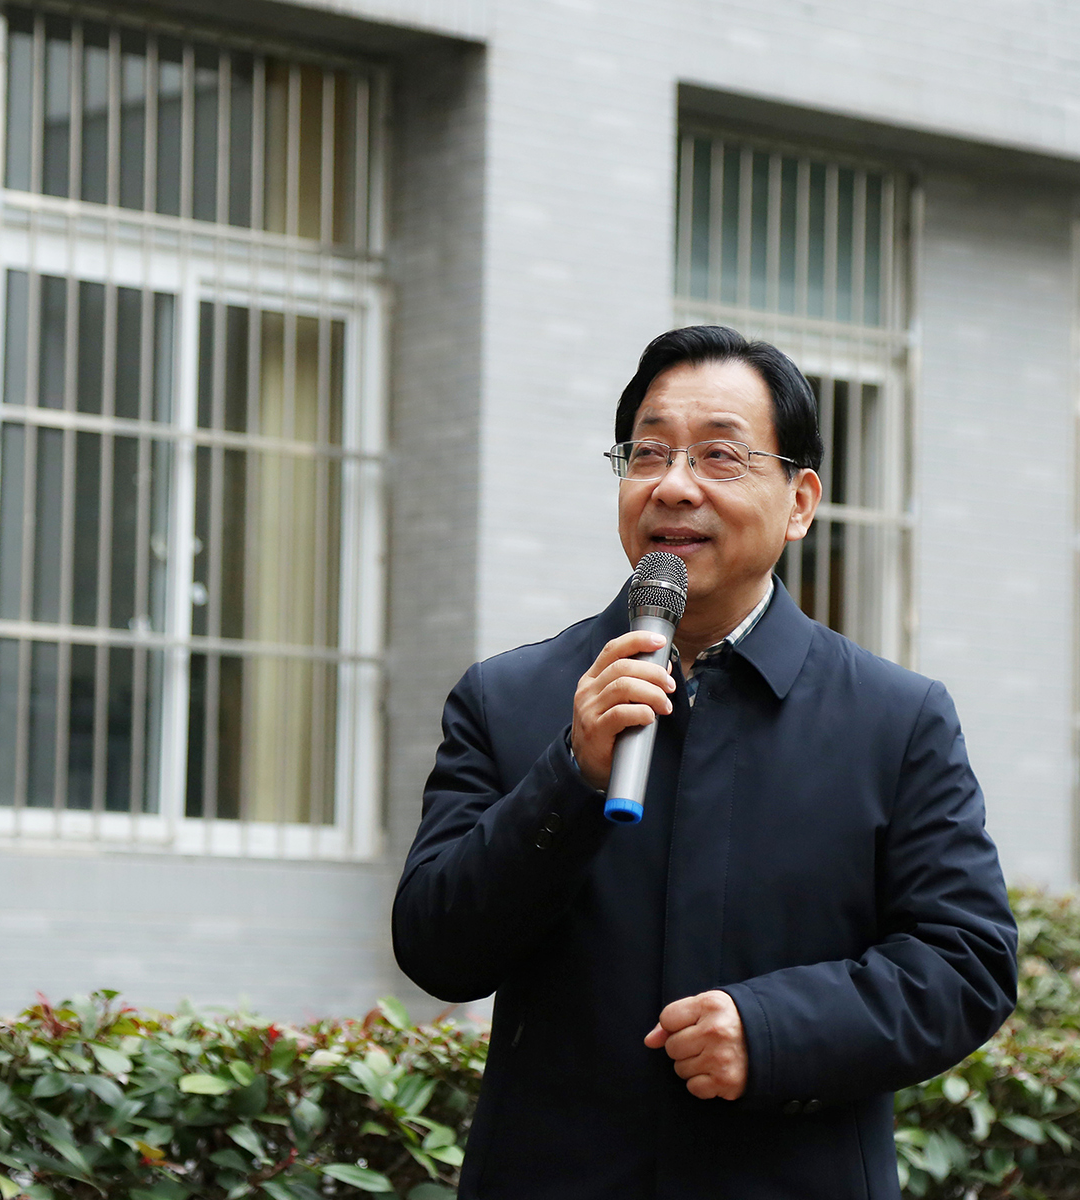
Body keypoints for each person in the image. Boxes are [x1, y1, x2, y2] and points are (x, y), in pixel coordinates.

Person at [393, 325, 1018, 1199]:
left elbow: (966, 964)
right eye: (647, 453)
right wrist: (570, 774)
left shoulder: (895, 720)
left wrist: (772, 1031)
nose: (673, 485)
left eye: (720, 456)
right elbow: (437, 950)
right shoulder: (507, 698)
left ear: (800, 502)